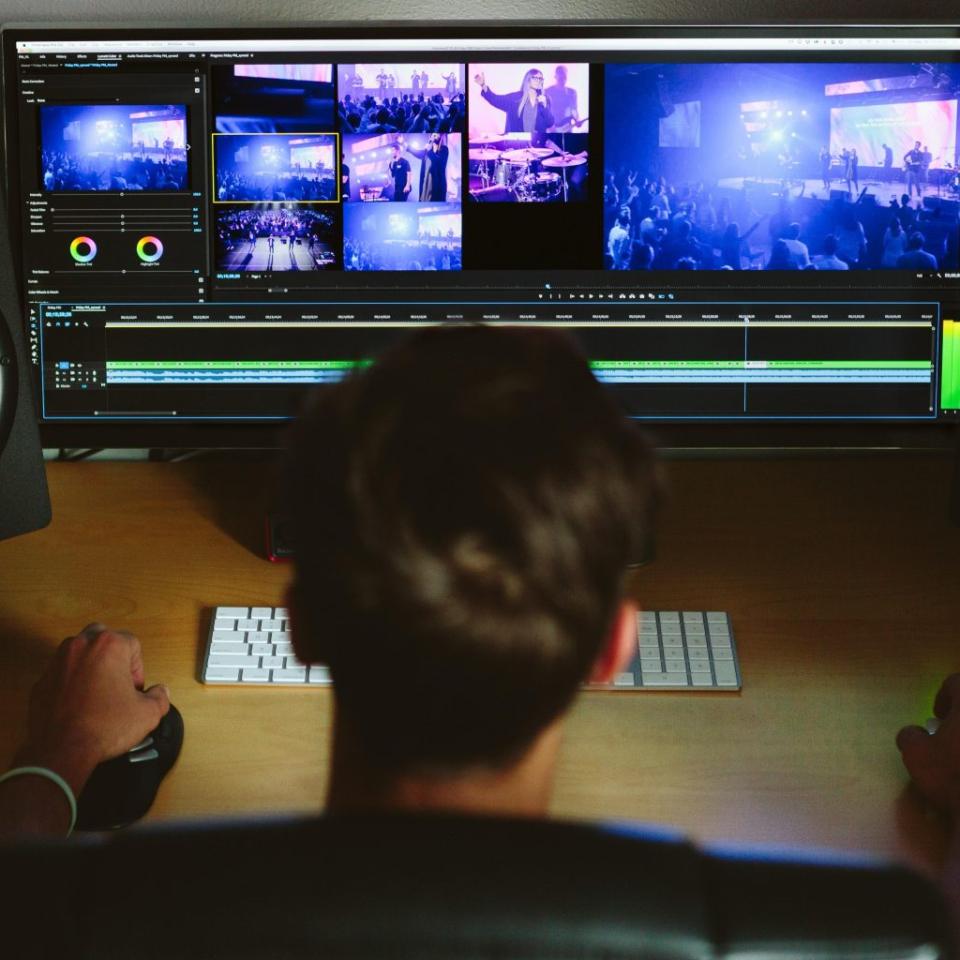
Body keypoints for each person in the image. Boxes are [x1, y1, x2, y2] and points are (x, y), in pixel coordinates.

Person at [473, 68, 555, 147]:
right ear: (528, 79)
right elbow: (496, 99)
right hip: (518, 144)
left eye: (540, 78)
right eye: (535, 78)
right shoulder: (515, 98)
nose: (538, 81)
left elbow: (550, 123)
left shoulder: (545, 99)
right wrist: (483, 85)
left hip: (537, 144)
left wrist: (544, 106)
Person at [407, 133, 449, 201]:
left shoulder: (444, 149)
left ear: (440, 136)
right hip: (426, 180)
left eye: (436, 134)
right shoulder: (428, 150)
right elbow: (417, 153)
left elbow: (438, 161)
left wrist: (429, 151)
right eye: (432, 135)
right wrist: (406, 145)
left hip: (437, 183)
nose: (433, 136)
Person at [545, 64, 580, 133]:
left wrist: (577, 120)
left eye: (564, 77)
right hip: (551, 130)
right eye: (560, 77)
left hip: (567, 130)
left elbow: (574, 110)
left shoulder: (572, 93)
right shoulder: (547, 92)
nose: (562, 79)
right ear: (555, 76)